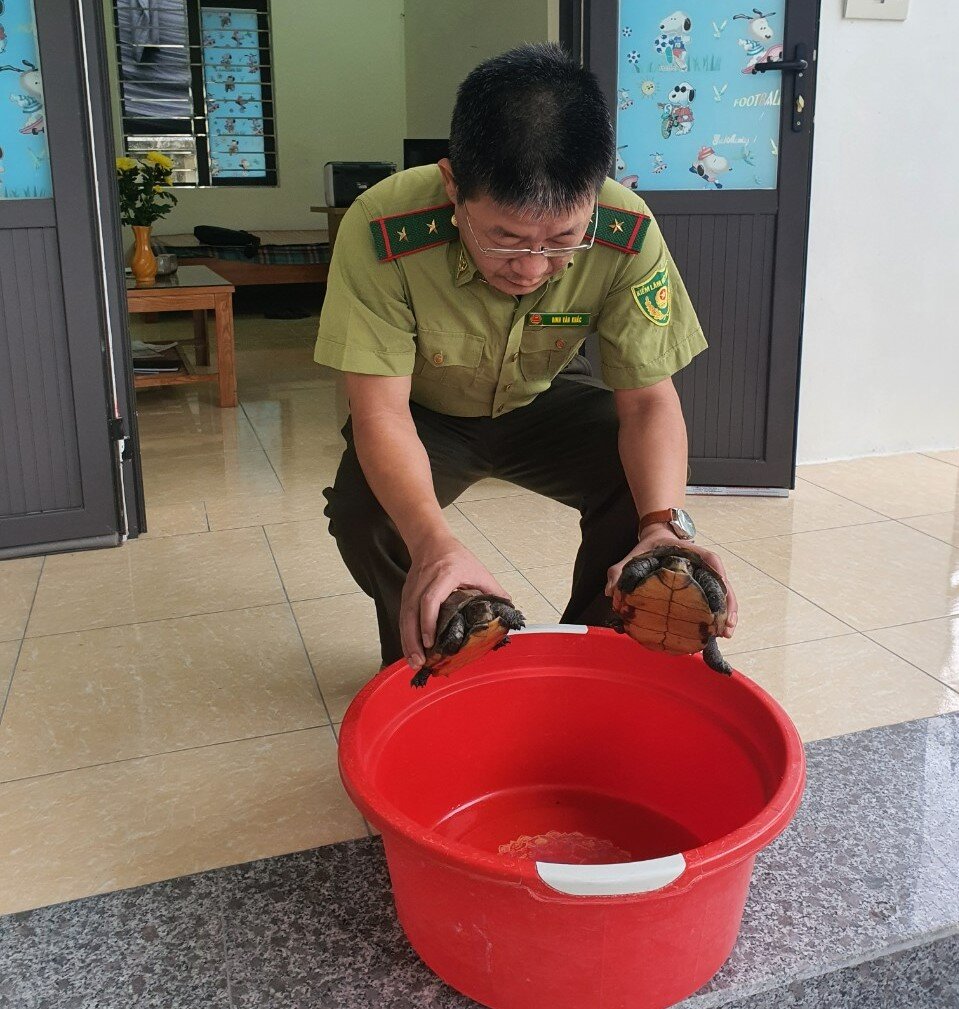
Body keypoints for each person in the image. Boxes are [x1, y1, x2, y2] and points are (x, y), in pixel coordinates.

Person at [315, 43, 738, 672]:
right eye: (504, 239)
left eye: (563, 240)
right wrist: (434, 544)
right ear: (453, 185)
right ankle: (449, 630)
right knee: (367, 515)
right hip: (426, 414)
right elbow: (381, 413)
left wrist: (662, 525)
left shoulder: (627, 229)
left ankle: (591, 656)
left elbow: (650, 400)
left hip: (544, 399)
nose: (533, 268)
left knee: (640, 491)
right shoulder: (383, 226)